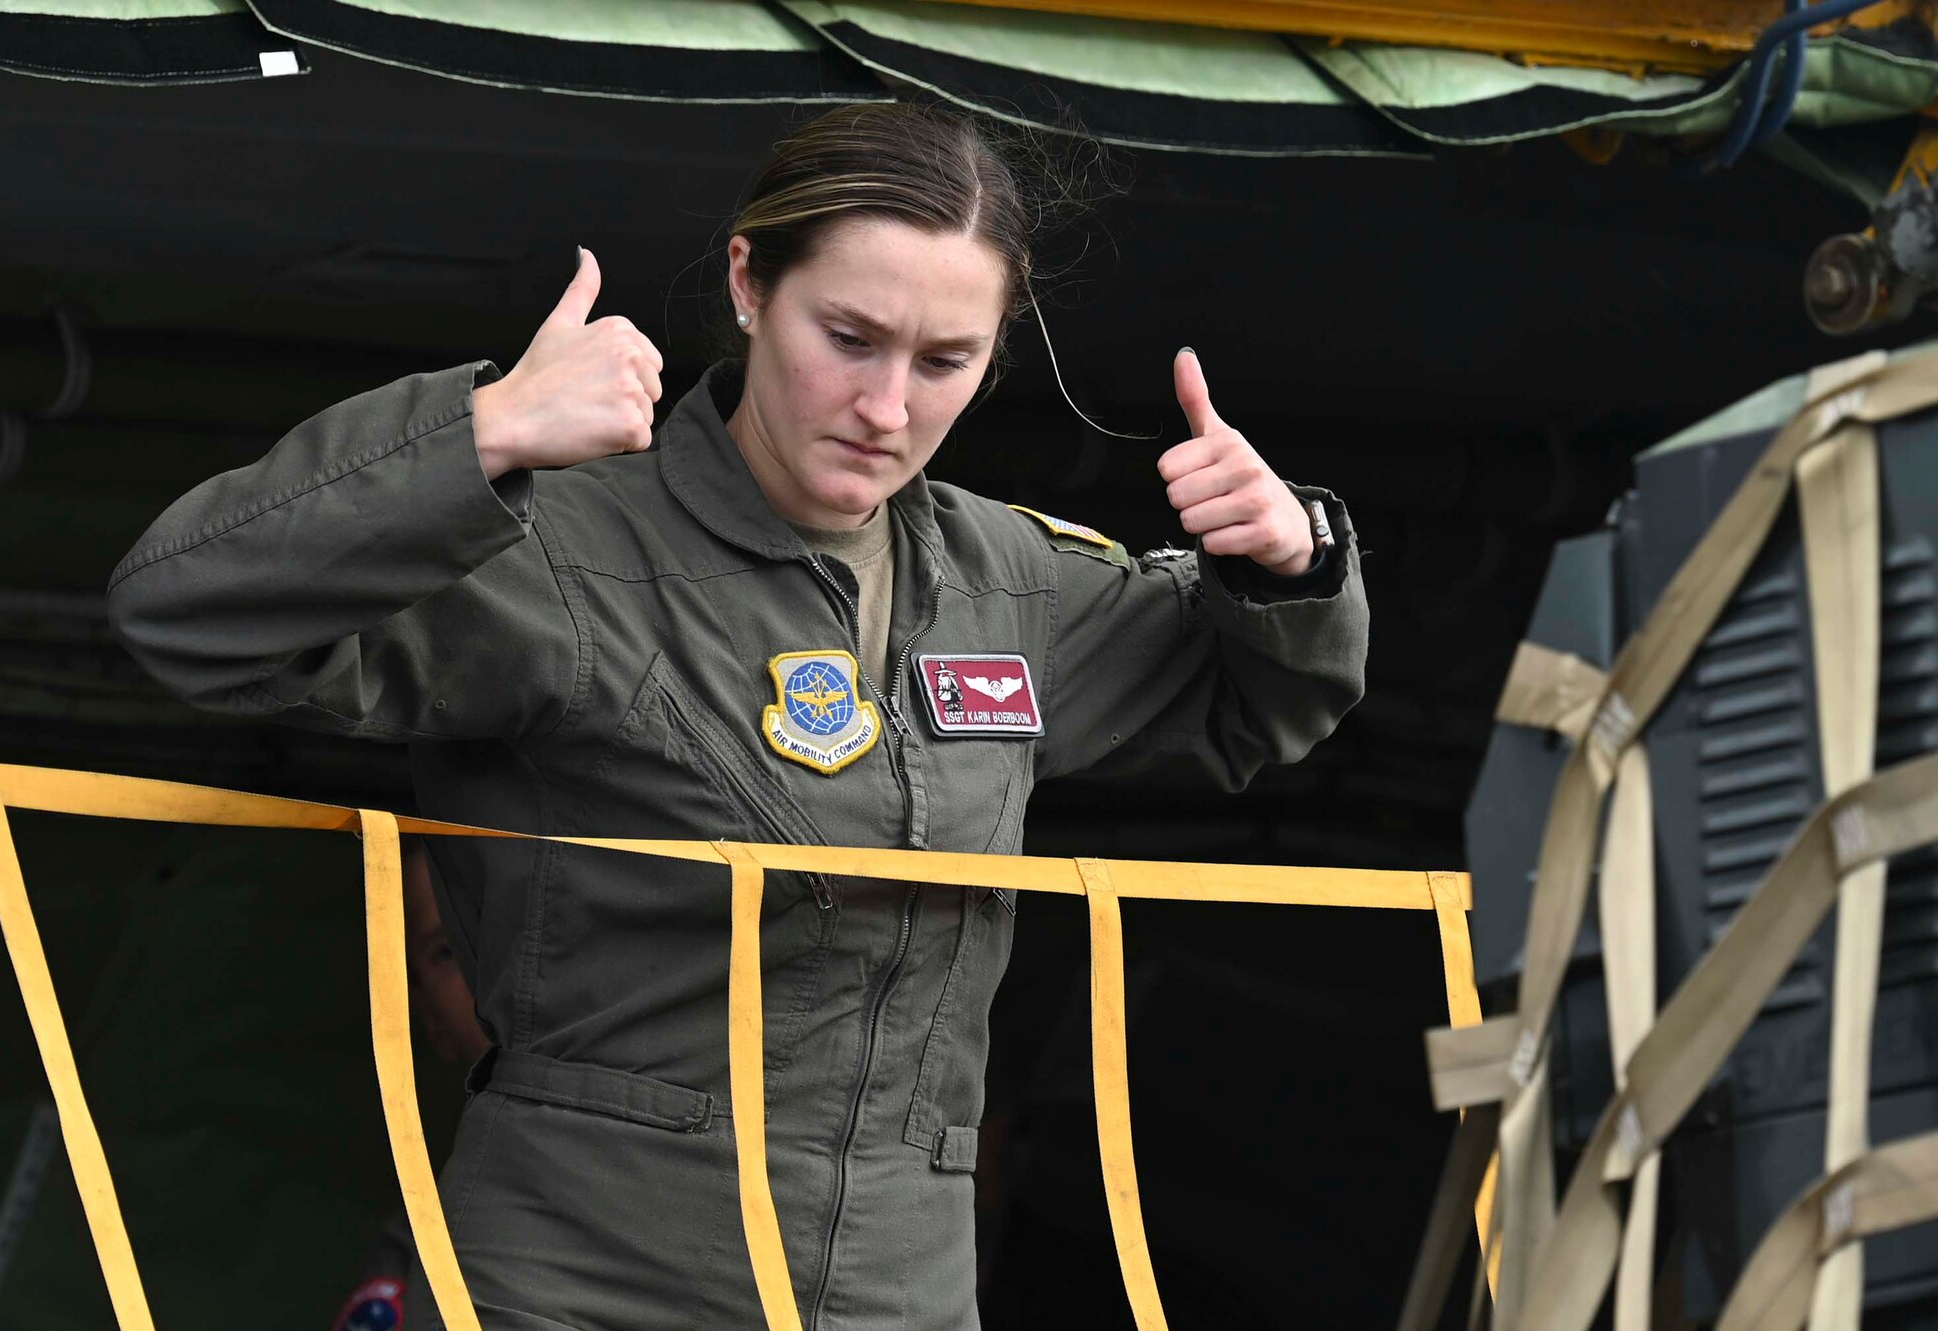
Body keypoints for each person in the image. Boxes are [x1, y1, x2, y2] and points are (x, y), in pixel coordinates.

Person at [107, 99, 1368, 1331]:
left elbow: (1250, 707)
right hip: (577, 1271)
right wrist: (478, 435)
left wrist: (1287, 562)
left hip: (898, 1281)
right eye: (850, 336)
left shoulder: (1012, 582)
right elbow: (189, 612)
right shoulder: (567, 545)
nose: (887, 408)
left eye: (944, 362)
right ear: (749, 283)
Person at [333, 837, 492, 1331]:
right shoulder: (420, 1254)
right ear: (430, 1021)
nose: (484, 965)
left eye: (499, 924)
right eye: (446, 950)